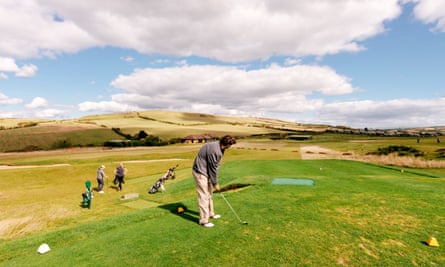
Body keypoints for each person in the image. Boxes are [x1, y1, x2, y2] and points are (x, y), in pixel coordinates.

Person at [192, 135, 236, 228]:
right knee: (203, 196)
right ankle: (204, 221)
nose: (230, 147)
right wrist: (215, 183)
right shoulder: (215, 151)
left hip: (206, 171)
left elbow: (214, 166)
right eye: (230, 145)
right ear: (227, 144)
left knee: (209, 194)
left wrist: (213, 180)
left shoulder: (218, 145)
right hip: (200, 172)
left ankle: (211, 214)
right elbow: (213, 168)